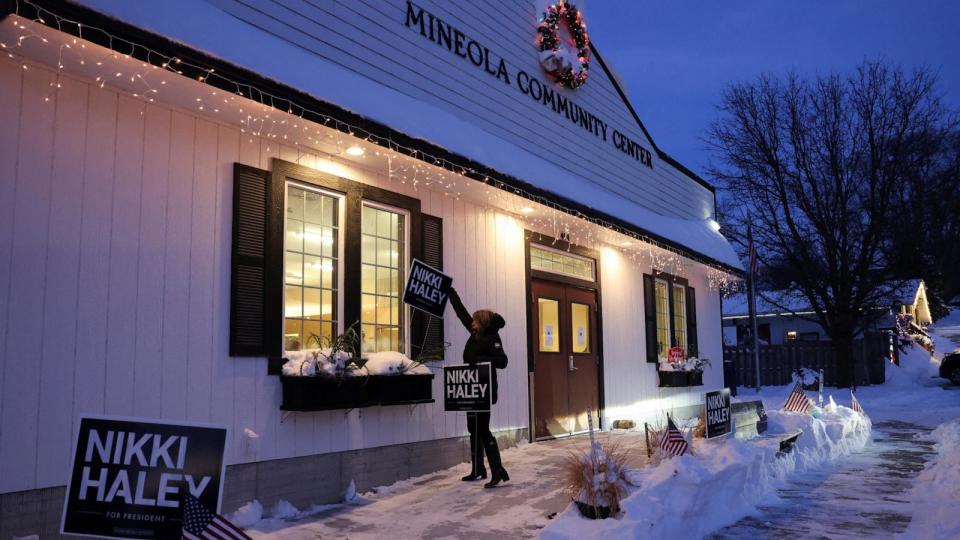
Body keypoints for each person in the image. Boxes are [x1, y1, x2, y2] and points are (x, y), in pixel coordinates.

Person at [447, 286, 510, 488]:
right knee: (472, 428)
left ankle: (497, 470)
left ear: (481, 323)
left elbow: (502, 361)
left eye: (475, 320)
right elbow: (460, 313)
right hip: (469, 388)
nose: (471, 322)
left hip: (483, 389)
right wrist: (451, 292)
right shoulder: (475, 333)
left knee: (483, 429)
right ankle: (477, 469)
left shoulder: (492, 337)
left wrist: (481, 359)